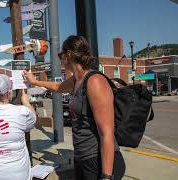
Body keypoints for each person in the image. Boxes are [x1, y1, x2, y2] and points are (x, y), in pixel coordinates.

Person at [23, 35, 126, 180]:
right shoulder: (77, 80)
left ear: (69, 55)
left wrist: (107, 176)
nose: (60, 59)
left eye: (61, 55)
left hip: (98, 160)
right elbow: (58, 86)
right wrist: (35, 81)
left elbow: (106, 133)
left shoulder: (94, 81)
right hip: (82, 158)